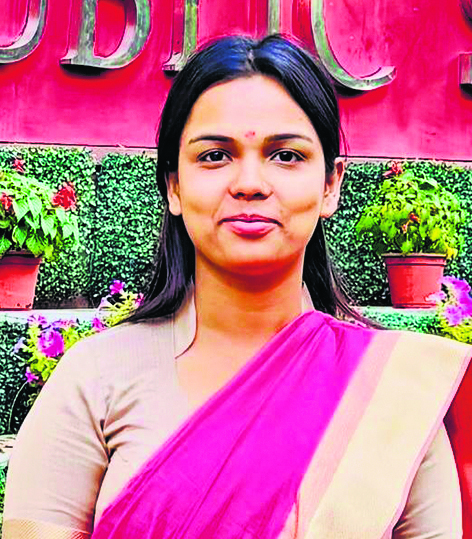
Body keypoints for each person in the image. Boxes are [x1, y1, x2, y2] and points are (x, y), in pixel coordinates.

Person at [2, 34, 472, 539]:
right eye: (214, 156)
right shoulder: (96, 381)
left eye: (286, 155)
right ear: (173, 186)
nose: (249, 182)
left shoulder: (391, 396)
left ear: (330, 185)